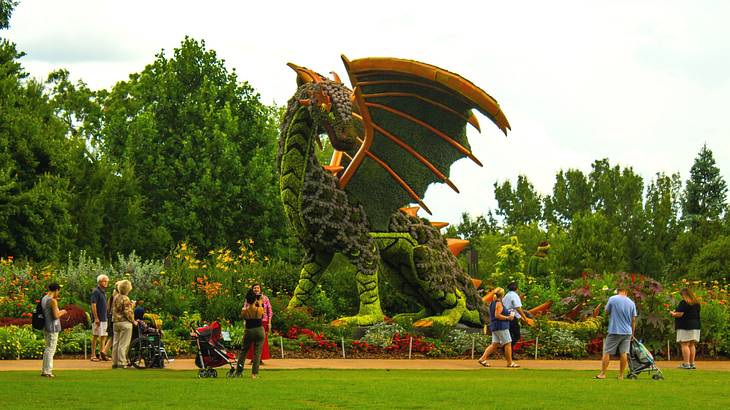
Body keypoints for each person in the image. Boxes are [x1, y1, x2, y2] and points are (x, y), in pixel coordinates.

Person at [595, 287, 637, 380]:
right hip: (627, 332)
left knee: (607, 352)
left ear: (618, 291)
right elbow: (633, 320)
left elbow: (606, 312)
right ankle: (621, 375)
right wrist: (633, 334)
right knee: (624, 352)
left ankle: (603, 374)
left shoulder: (613, 299)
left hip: (615, 330)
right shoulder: (631, 303)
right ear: (626, 292)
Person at [477, 287, 519, 368]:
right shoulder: (499, 303)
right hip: (501, 326)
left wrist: (507, 313)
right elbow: (497, 315)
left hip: (495, 326)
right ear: (502, 294)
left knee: (494, 344)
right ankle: (510, 362)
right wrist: (508, 318)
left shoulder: (493, 302)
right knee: (508, 343)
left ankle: (482, 359)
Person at [235, 290, 266, 379]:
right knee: (257, 353)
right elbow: (262, 315)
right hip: (259, 330)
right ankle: (254, 374)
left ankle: (239, 372)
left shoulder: (245, 310)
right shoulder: (259, 309)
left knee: (243, 351)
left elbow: (242, 316)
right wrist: (259, 303)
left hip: (249, 330)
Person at [670, 288, 701, 369]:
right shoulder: (697, 303)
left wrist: (673, 314)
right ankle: (692, 363)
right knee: (692, 344)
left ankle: (686, 364)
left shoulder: (684, 303)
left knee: (684, 344)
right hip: (696, 325)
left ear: (684, 295)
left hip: (685, 326)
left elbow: (679, 314)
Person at [41, 283, 68, 378]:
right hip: (52, 326)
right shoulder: (53, 301)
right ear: (56, 290)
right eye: (58, 291)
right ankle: (48, 371)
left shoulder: (44, 298)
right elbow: (56, 315)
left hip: (46, 325)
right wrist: (62, 312)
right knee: (51, 349)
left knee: (47, 348)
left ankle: (45, 369)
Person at [502, 281, 534, 357]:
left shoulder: (506, 296)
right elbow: (518, 308)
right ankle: (506, 349)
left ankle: (509, 353)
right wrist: (524, 317)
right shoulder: (514, 295)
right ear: (517, 289)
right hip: (512, 318)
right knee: (517, 335)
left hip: (505, 317)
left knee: (510, 335)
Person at [111, 279, 135, 369]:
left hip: (116, 322)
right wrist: (133, 321)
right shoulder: (125, 298)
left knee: (116, 343)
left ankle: (115, 362)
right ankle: (122, 362)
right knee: (124, 344)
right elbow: (127, 312)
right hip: (125, 323)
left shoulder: (116, 297)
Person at [246, 284, 272, 364]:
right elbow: (245, 308)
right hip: (252, 321)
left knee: (262, 340)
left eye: (257, 288)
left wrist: (269, 322)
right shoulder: (249, 298)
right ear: (252, 289)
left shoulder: (265, 298)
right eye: (254, 288)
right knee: (252, 339)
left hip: (263, 321)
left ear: (260, 289)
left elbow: (269, 310)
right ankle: (253, 359)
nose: (256, 289)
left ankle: (260, 359)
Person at [90, 274, 110, 362]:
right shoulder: (96, 291)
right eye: (104, 281)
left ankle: (102, 354)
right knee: (95, 336)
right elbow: (93, 305)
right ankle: (93, 355)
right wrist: (96, 318)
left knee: (103, 336)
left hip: (104, 317)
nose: (106, 282)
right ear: (99, 282)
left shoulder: (104, 292)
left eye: (106, 281)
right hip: (98, 318)